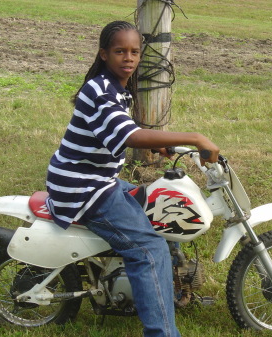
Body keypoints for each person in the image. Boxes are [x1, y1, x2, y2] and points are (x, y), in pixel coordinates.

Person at [45, 21, 219, 337]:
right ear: (104, 54)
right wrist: (196, 137)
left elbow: (123, 128)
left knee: (150, 199)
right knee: (149, 249)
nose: (128, 58)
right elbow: (129, 134)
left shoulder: (116, 89)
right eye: (120, 51)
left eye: (134, 52)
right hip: (84, 188)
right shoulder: (99, 89)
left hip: (94, 180)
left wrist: (162, 143)